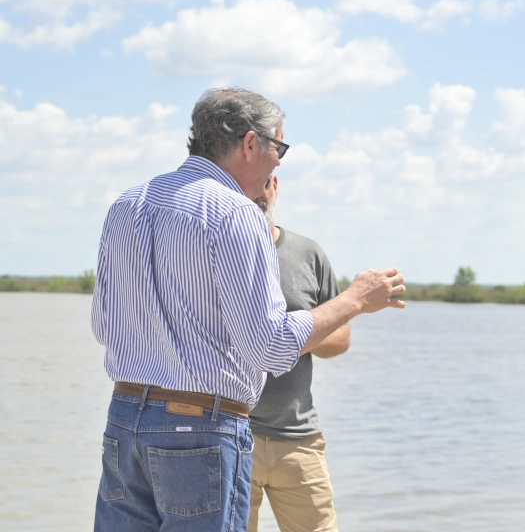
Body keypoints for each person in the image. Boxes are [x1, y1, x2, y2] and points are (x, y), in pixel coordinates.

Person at [91, 87, 406, 532]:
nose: (279, 160)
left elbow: (104, 326)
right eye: (279, 146)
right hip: (201, 427)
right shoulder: (236, 213)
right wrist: (355, 298)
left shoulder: (127, 204)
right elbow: (273, 348)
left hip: (124, 418)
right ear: (251, 143)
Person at [248, 175, 348, 532]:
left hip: (298, 437)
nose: (259, 194)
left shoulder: (309, 254)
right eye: (249, 185)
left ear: (275, 184)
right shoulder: (221, 252)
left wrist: (289, 331)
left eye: (264, 185)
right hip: (231, 435)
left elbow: (341, 339)